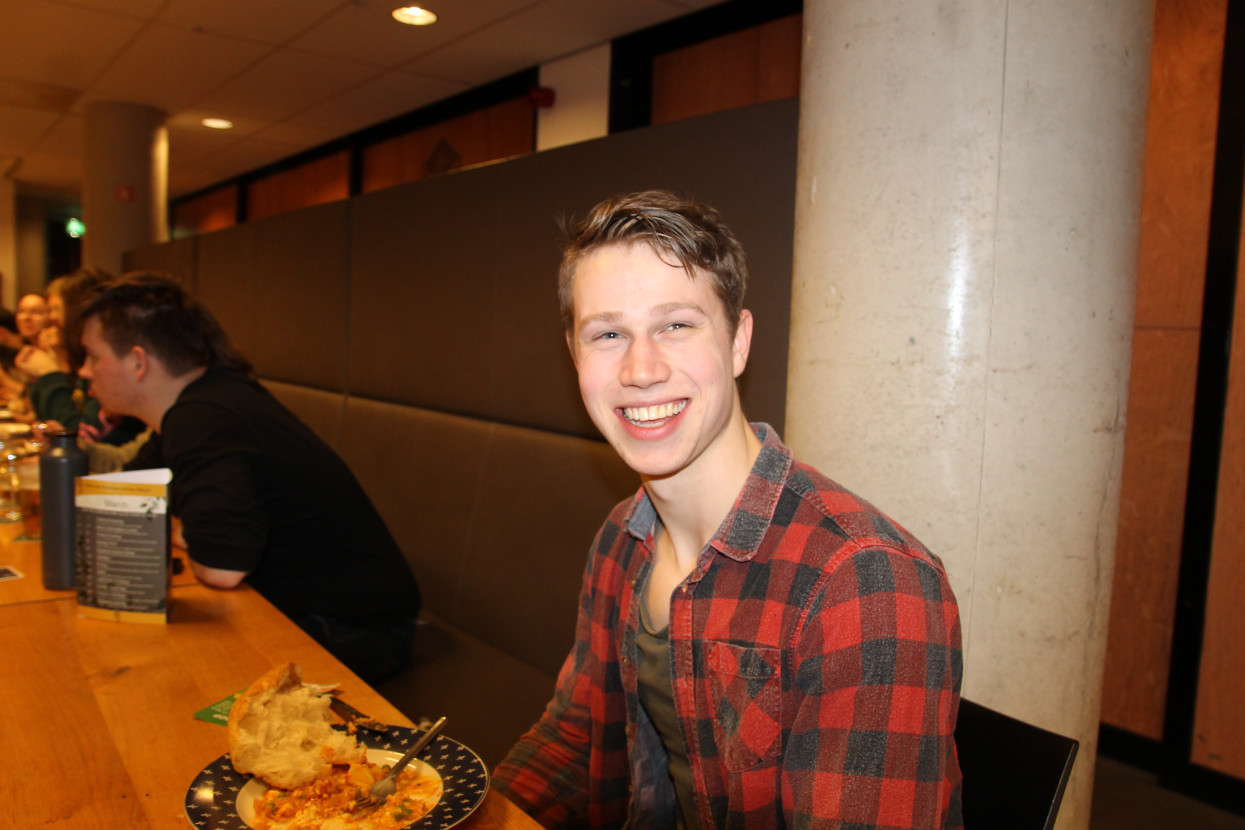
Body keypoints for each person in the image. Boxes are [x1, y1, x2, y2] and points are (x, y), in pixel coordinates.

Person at [492, 191, 963, 829]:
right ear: (576, 357)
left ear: (739, 342)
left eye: (676, 325)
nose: (640, 369)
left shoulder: (866, 583)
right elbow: (576, 741)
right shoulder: (619, 539)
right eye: (608, 334)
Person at [75, 273, 422, 685]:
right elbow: (128, 495)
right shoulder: (203, 401)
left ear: (138, 362)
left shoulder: (203, 417)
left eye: (92, 356)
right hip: (319, 611)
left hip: (358, 632)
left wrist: (182, 531)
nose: (84, 371)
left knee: (156, 675)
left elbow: (221, 567)